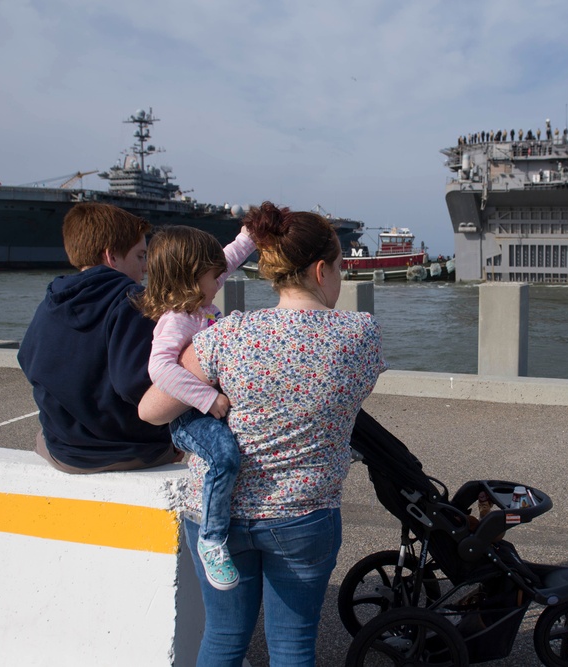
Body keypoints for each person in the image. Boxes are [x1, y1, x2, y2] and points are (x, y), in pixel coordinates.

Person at [139, 201, 386, 666]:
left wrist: (211, 394)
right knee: (292, 645)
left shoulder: (227, 336)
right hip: (304, 513)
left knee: (224, 638)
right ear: (320, 270)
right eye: (338, 267)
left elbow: (151, 410)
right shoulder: (362, 334)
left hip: (217, 515)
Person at [134, 224, 257, 591]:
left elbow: (228, 259)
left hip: (206, 405)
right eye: (213, 273)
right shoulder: (178, 318)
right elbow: (159, 368)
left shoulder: (198, 303)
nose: (221, 277)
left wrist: (250, 236)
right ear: (190, 277)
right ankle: (212, 539)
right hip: (189, 415)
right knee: (224, 457)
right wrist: (207, 399)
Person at [18, 202, 179, 473]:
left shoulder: (52, 299)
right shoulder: (133, 301)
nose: (146, 268)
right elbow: (135, 387)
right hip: (130, 451)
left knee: (40, 438)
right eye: (140, 256)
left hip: (65, 451)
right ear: (111, 257)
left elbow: (26, 358)